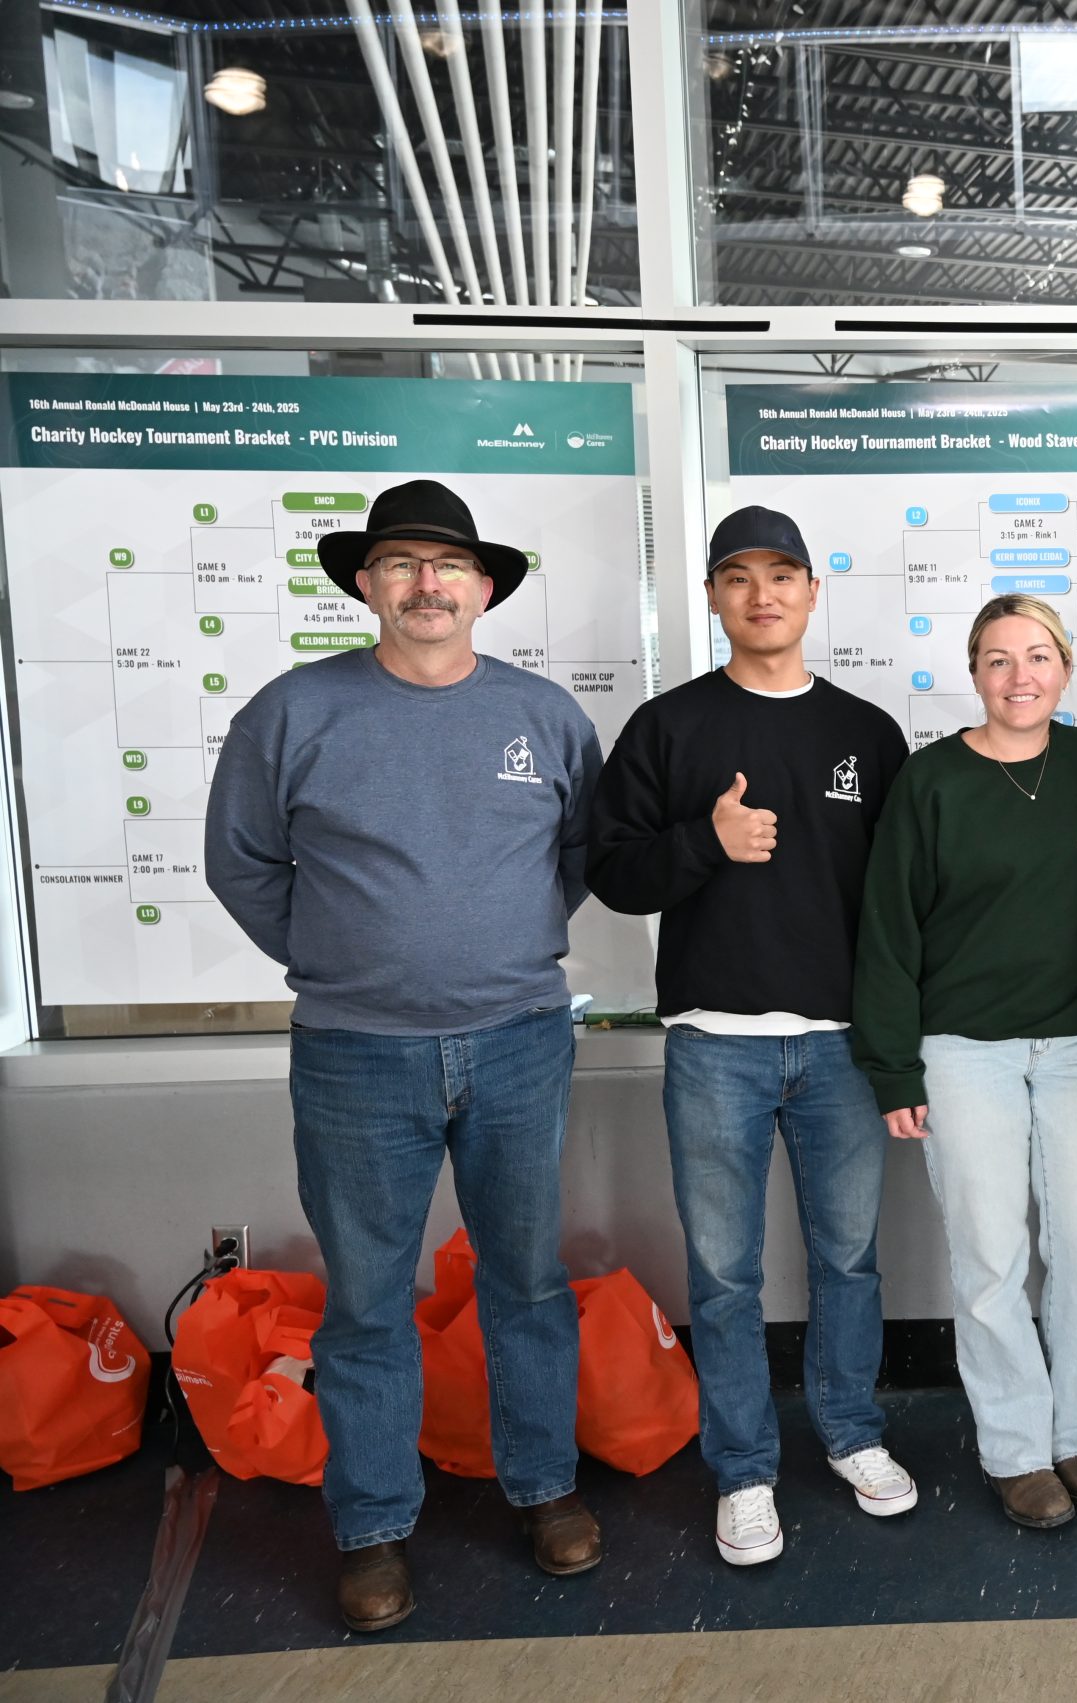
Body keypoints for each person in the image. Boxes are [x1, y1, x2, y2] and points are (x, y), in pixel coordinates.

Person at [204, 479, 603, 1632]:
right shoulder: (293, 711)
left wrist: (496, 948)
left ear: (483, 590)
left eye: (447, 566)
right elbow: (243, 864)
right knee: (369, 1302)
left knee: (525, 1278)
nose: (426, 584)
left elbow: (572, 857)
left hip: (520, 1041)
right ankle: (373, 1525)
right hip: (354, 1054)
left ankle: (544, 1488)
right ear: (366, 584)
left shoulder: (543, 716)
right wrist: (342, 957)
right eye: (402, 563)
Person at [586, 506, 920, 1567]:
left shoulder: (866, 734)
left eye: (782, 574)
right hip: (713, 1045)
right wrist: (706, 841)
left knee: (849, 1260)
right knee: (725, 1276)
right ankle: (743, 1468)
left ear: (814, 592)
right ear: (713, 596)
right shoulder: (669, 727)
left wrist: (897, 1041)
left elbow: (902, 904)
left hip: (839, 1047)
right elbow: (611, 868)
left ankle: (853, 1432)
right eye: (738, 576)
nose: (762, 594)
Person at [852, 594, 1077, 1530]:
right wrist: (893, 1069)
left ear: (1066, 666)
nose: (1020, 677)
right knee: (992, 1259)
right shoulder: (931, 782)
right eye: (999, 660)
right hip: (964, 1053)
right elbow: (887, 931)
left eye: (1038, 656)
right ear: (973, 673)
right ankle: (1014, 1447)